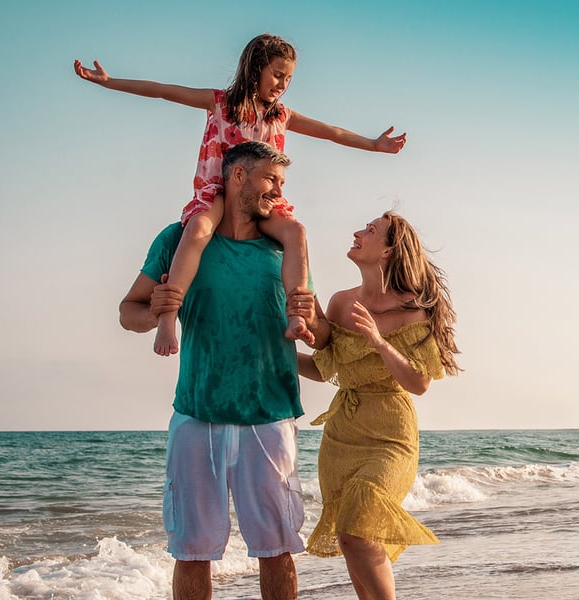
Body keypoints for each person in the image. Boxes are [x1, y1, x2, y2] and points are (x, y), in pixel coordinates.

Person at [75, 33, 407, 356]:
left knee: (296, 231)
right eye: (277, 75)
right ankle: (167, 318)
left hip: (264, 201)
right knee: (197, 230)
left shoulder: (282, 116)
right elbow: (163, 91)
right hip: (220, 194)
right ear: (255, 70)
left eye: (288, 78)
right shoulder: (220, 103)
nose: (282, 84)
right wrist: (109, 82)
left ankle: (296, 316)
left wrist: (374, 146)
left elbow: (332, 132)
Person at [119, 142, 311, 600]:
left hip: (269, 416)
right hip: (196, 413)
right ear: (238, 177)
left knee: (277, 548)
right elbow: (129, 311)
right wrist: (157, 311)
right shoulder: (178, 238)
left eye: (282, 183)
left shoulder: (281, 245)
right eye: (271, 180)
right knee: (191, 550)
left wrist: (314, 322)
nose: (278, 192)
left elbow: (311, 324)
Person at [290, 212, 460, 600]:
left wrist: (379, 341)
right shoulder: (340, 302)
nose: (356, 232)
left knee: (361, 527)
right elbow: (322, 367)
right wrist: (275, 353)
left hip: (390, 435)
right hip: (342, 434)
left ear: (387, 250)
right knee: (350, 538)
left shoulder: (414, 310)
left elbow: (419, 384)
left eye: (369, 231)